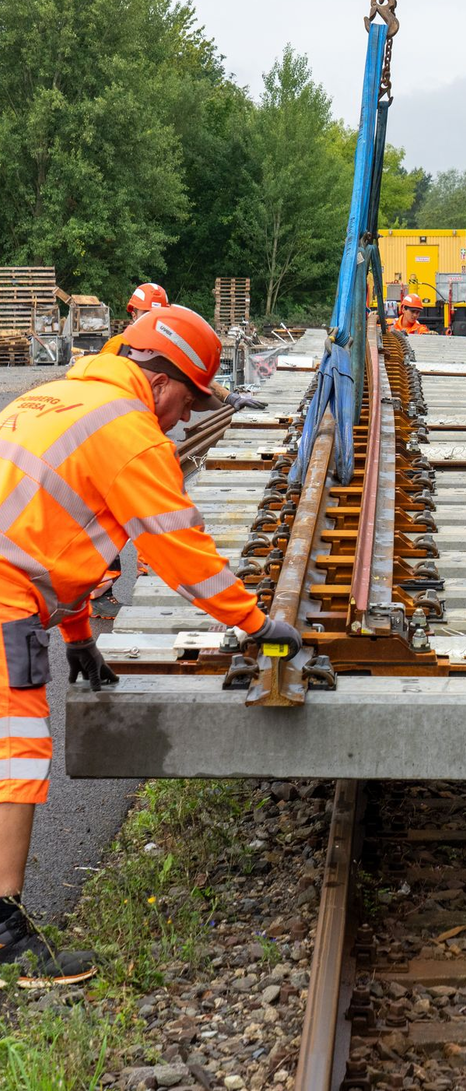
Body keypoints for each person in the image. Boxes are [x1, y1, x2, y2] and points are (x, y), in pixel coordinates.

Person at [0, 305, 302, 986]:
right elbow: (180, 551)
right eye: (189, 403)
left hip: (11, 580)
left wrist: (79, 637)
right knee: (17, 747)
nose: (186, 420)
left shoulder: (63, 392)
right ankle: (5, 930)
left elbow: (54, 530)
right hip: (3, 595)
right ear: (162, 382)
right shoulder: (129, 430)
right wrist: (254, 624)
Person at [92, 284, 266, 618]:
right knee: (112, 513)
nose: (152, 319)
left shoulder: (163, 340)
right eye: (147, 314)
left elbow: (188, 376)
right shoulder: (121, 348)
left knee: (160, 506)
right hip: (121, 438)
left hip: (145, 432)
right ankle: (101, 590)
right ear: (133, 314)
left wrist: (229, 397)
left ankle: (151, 571)